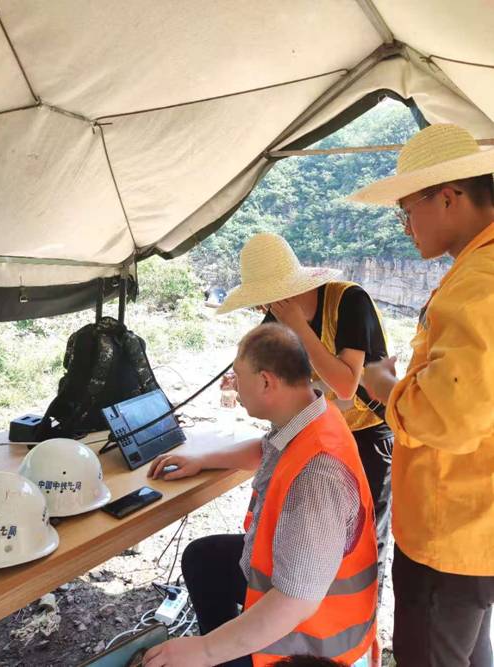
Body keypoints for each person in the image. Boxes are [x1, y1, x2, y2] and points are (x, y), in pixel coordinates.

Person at [143, 323, 378, 667]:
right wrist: (202, 460)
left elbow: (294, 603)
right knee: (204, 559)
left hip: (316, 643)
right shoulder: (313, 412)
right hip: (303, 589)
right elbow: (268, 449)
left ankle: (231, 656)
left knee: (209, 650)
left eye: (238, 376)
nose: (234, 385)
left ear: (267, 381)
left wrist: (204, 650)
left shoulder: (316, 477)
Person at [349, 123, 494, 667]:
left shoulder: (478, 281)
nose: (405, 225)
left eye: (406, 209)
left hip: (448, 528)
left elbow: (449, 416)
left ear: (449, 198)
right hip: (477, 520)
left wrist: (383, 384)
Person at [216, 232, 393, 601]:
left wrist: (297, 326)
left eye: (265, 299)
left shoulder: (348, 301)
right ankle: (303, 611)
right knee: (307, 535)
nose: (263, 309)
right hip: (315, 433)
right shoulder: (275, 318)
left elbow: (346, 384)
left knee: (362, 538)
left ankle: (360, 627)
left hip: (366, 432)